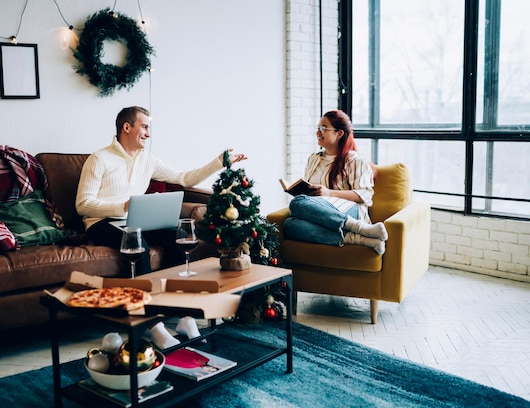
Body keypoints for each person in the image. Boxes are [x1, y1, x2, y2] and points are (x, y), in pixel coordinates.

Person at [75, 106, 246, 350]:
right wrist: (121, 207)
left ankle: (184, 317)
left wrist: (219, 162)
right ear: (127, 127)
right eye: (144, 126)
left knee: (178, 235)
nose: (148, 133)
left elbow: (185, 178)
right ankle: (153, 325)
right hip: (102, 223)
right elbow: (83, 205)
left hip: (134, 220)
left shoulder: (148, 160)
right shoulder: (99, 159)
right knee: (138, 244)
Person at [283, 109, 388, 254]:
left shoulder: (354, 160)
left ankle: (360, 228)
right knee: (289, 225)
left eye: (323, 128)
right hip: (321, 211)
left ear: (339, 133)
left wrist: (329, 193)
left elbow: (365, 194)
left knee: (296, 203)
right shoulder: (314, 158)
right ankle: (361, 238)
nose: (318, 132)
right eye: (318, 128)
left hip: (350, 210)